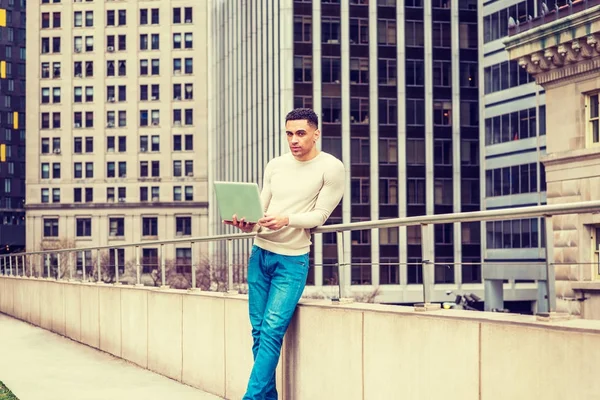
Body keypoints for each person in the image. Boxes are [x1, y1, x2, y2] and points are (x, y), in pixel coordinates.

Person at [223, 108, 345, 399]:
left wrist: (287, 219)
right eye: (289, 133)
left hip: (292, 261)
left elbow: (320, 215)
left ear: (316, 133)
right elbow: (260, 211)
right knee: (258, 333)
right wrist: (246, 223)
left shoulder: (331, 167)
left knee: (272, 331)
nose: (294, 140)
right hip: (260, 255)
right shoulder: (276, 165)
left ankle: (251, 398)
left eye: (301, 133)